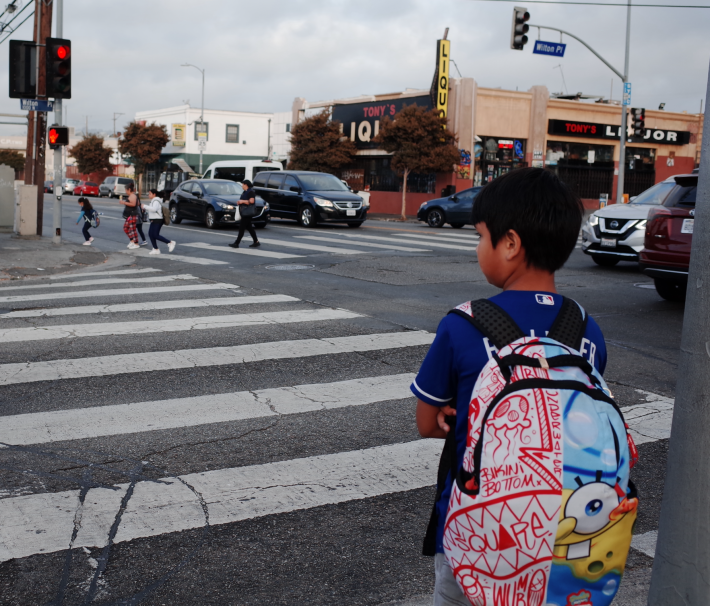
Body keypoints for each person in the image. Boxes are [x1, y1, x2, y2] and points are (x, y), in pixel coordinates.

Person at [412, 168, 607, 606]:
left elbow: (427, 422)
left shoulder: (463, 324)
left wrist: (462, 417)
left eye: (481, 236)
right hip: (565, 531)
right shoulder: (586, 328)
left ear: (511, 244)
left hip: (477, 532)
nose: (479, 248)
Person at [229, 180, 260, 248]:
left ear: (246, 185)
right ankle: (256, 241)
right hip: (244, 212)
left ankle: (236, 243)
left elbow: (252, 201)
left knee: (241, 228)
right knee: (249, 227)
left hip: (248, 212)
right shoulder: (245, 192)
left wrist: (242, 201)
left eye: (243, 184)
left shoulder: (250, 192)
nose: (242, 186)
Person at [144, 188, 176, 255]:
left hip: (158, 220)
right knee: (150, 234)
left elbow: (154, 209)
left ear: (154, 194)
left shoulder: (156, 201)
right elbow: (152, 210)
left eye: (150, 194)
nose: (148, 195)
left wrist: (144, 206)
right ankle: (155, 249)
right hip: (154, 219)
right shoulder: (154, 200)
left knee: (155, 235)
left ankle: (170, 242)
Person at [120, 183, 142, 249]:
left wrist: (124, 202)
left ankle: (136, 243)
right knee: (125, 228)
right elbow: (138, 203)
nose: (125, 192)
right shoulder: (133, 196)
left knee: (132, 229)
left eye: (126, 190)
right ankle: (132, 241)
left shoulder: (133, 196)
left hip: (133, 215)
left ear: (129, 189)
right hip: (130, 215)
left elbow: (133, 204)